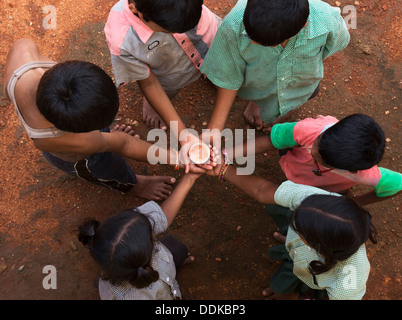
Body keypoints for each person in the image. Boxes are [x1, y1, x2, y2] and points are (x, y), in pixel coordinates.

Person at [3, 38, 187, 201]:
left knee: (105, 141)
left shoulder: (23, 54)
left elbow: (6, 90)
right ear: (79, 129)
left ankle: (105, 140)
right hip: (79, 159)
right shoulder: (77, 141)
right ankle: (134, 185)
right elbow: (123, 144)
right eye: (98, 127)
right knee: (109, 170)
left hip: (84, 134)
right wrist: (177, 158)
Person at [206, 154, 377, 300]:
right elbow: (261, 190)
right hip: (305, 254)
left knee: (287, 289)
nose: (294, 214)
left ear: (314, 245)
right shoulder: (314, 200)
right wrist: (223, 168)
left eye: (299, 231)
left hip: (310, 273)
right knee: (276, 204)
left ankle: (290, 289)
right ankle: (290, 257)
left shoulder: (347, 284)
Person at [200, 0, 350, 139]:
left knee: (312, 89)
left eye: (265, 43)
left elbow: (334, 45)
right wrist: (214, 131)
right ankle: (258, 101)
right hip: (256, 81)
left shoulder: (327, 20)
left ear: (303, 25)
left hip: (301, 85)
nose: (251, 41)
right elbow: (228, 77)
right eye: (250, 34)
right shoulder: (233, 26)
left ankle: (277, 107)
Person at [104, 0, 221, 133]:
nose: (179, 33)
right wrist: (182, 133)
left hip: (211, 39)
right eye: (166, 31)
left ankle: (214, 73)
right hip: (171, 75)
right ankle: (154, 103)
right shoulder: (122, 40)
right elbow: (149, 83)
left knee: (222, 66)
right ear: (135, 9)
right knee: (165, 89)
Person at [232, 114, 402, 205]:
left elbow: (397, 185)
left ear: (350, 170)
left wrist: (354, 203)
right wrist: (227, 153)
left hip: (315, 189)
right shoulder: (309, 130)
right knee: (284, 141)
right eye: (318, 142)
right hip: (293, 166)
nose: (313, 151)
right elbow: (271, 141)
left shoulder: (367, 174)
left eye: (322, 159)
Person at [78, 172, 200, 300]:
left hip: (160, 273)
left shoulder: (129, 229)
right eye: (152, 235)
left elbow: (162, 216)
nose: (154, 227)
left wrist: (190, 177)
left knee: (177, 247)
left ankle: (172, 273)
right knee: (175, 249)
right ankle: (173, 272)